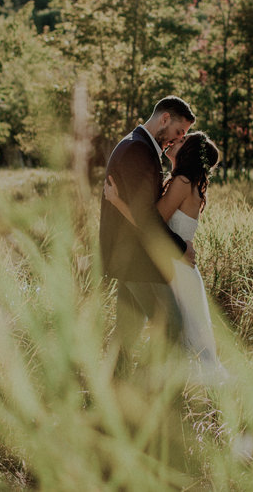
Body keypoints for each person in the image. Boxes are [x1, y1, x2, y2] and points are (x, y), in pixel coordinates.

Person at [105, 131, 226, 381]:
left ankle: (147, 382)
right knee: (150, 328)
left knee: (174, 330)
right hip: (176, 266)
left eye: (182, 141)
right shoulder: (183, 181)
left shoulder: (181, 182)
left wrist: (116, 201)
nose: (174, 141)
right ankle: (134, 382)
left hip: (173, 268)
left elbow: (149, 222)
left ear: (188, 152)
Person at [99, 96, 195, 371]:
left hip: (129, 257)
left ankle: (116, 395)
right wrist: (180, 247)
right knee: (172, 328)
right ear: (165, 118)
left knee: (125, 337)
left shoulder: (137, 145)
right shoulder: (137, 151)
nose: (177, 139)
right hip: (137, 259)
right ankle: (163, 402)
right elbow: (144, 216)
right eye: (179, 131)